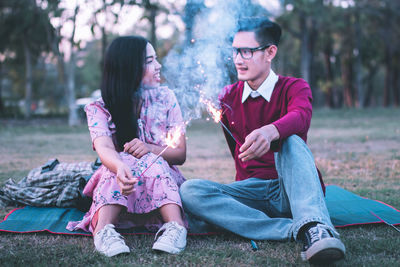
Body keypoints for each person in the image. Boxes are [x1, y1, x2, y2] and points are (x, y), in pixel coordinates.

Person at [180, 17, 346, 264]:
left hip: (290, 189)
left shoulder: (294, 87)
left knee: (290, 141)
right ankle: (293, 230)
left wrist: (271, 132)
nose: (238, 59)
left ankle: (316, 229)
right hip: (252, 193)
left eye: (246, 51)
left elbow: (300, 117)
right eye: (235, 51)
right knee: (190, 190)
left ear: (270, 52)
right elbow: (237, 151)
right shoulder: (227, 97)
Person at [67, 36, 188, 257]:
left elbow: (180, 154)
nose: (158, 66)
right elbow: (104, 146)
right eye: (150, 61)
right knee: (123, 162)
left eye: (156, 59)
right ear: (129, 68)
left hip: (161, 186)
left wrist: (150, 148)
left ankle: (175, 227)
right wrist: (118, 166)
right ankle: (104, 231)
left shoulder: (166, 97)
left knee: (153, 160)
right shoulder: (99, 107)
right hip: (123, 185)